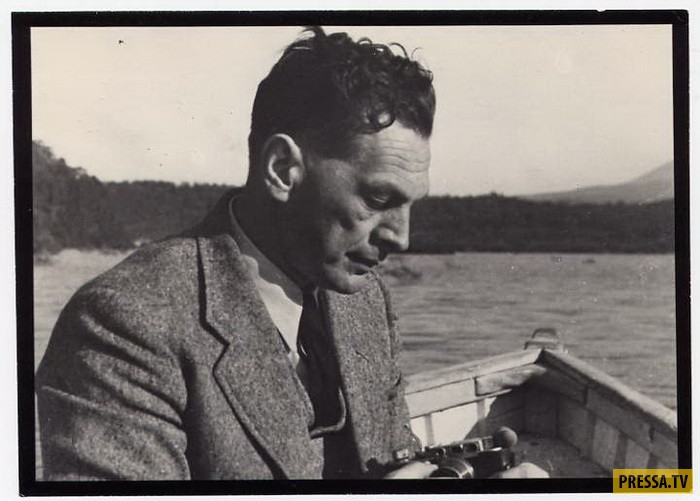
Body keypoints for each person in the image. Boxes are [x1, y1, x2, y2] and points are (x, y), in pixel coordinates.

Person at [36, 26, 546, 481]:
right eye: (378, 199)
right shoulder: (122, 326)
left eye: (410, 205)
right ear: (282, 169)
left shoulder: (364, 302)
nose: (401, 237)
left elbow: (391, 459)